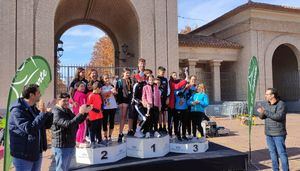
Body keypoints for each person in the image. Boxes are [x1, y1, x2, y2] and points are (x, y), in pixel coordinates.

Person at [9, 84, 53, 171]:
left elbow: (45, 125)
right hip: (23, 155)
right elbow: (30, 129)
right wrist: (43, 114)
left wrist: (48, 113)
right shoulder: (17, 110)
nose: (40, 94)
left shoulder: (32, 108)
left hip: (35, 151)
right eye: (38, 93)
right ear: (31, 95)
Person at [51, 93, 91, 171]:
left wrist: (85, 112)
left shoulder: (67, 110)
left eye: (67, 100)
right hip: (61, 146)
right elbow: (68, 124)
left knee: (65, 168)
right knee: (61, 168)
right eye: (64, 101)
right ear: (58, 101)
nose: (66, 102)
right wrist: (80, 113)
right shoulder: (56, 112)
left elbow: (77, 121)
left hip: (69, 143)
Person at [257, 88, 289, 171]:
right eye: (265, 94)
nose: (265, 96)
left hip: (278, 133)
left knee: (281, 153)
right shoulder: (266, 104)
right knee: (272, 153)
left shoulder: (281, 104)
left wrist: (265, 112)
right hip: (268, 133)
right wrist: (261, 112)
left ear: (272, 95)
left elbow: (278, 117)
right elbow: (262, 117)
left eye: (267, 94)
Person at [168, 69, 188, 137]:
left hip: (177, 106)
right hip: (171, 105)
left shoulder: (177, 82)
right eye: (174, 75)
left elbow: (182, 85)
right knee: (171, 120)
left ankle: (177, 133)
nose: (175, 76)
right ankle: (170, 133)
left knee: (176, 121)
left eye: (176, 75)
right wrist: (185, 81)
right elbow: (177, 86)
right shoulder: (170, 82)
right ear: (171, 76)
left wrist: (186, 75)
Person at [116, 68, 133, 142]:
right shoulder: (119, 81)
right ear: (123, 73)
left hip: (130, 100)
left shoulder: (131, 80)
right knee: (123, 117)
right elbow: (118, 91)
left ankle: (130, 131)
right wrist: (119, 102)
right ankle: (120, 133)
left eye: (129, 73)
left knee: (130, 116)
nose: (128, 74)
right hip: (123, 101)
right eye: (126, 73)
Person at [87, 81, 104, 148]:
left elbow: (100, 104)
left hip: (99, 116)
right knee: (92, 130)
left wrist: (101, 109)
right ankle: (92, 142)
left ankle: (99, 140)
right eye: (100, 89)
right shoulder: (91, 95)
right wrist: (95, 110)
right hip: (92, 117)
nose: (101, 90)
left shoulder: (99, 96)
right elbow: (88, 106)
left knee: (99, 129)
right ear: (97, 88)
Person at [101, 74, 118, 142]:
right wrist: (110, 92)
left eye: (108, 78)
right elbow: (104, 96)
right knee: (105, 122)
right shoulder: (102, 87)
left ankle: (110, 136)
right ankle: (105, 136)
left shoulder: (112, 86)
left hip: (113, 106)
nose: (107, 79)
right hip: (105, 107)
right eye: (106, 78)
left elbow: (115, 94)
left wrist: (115, 92)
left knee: (112, 121)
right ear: (103, 80)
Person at [72, 81, 87, 146]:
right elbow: (84, 105)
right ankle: (82, 141)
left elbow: (71, 101)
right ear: (77, 87)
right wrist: (87, 114)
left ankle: (77, 140)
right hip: (82, 114)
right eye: (81, 86)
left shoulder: (75, 93)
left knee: (80, 127)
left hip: (76, 113)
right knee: (83, 127)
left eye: (84, 86)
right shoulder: (82, 95)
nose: (83, 87)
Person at [156, 66, 168, 134]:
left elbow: (167, 89)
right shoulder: (156, 79)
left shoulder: (165, 79)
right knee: (160, 113)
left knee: (164, 113)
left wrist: (168, 97)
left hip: (164, 99)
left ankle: (164, 126)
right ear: (158, 71)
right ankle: (160, 126)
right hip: (158, 99)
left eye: (164, 72)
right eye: (161, 71)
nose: (163, 73)